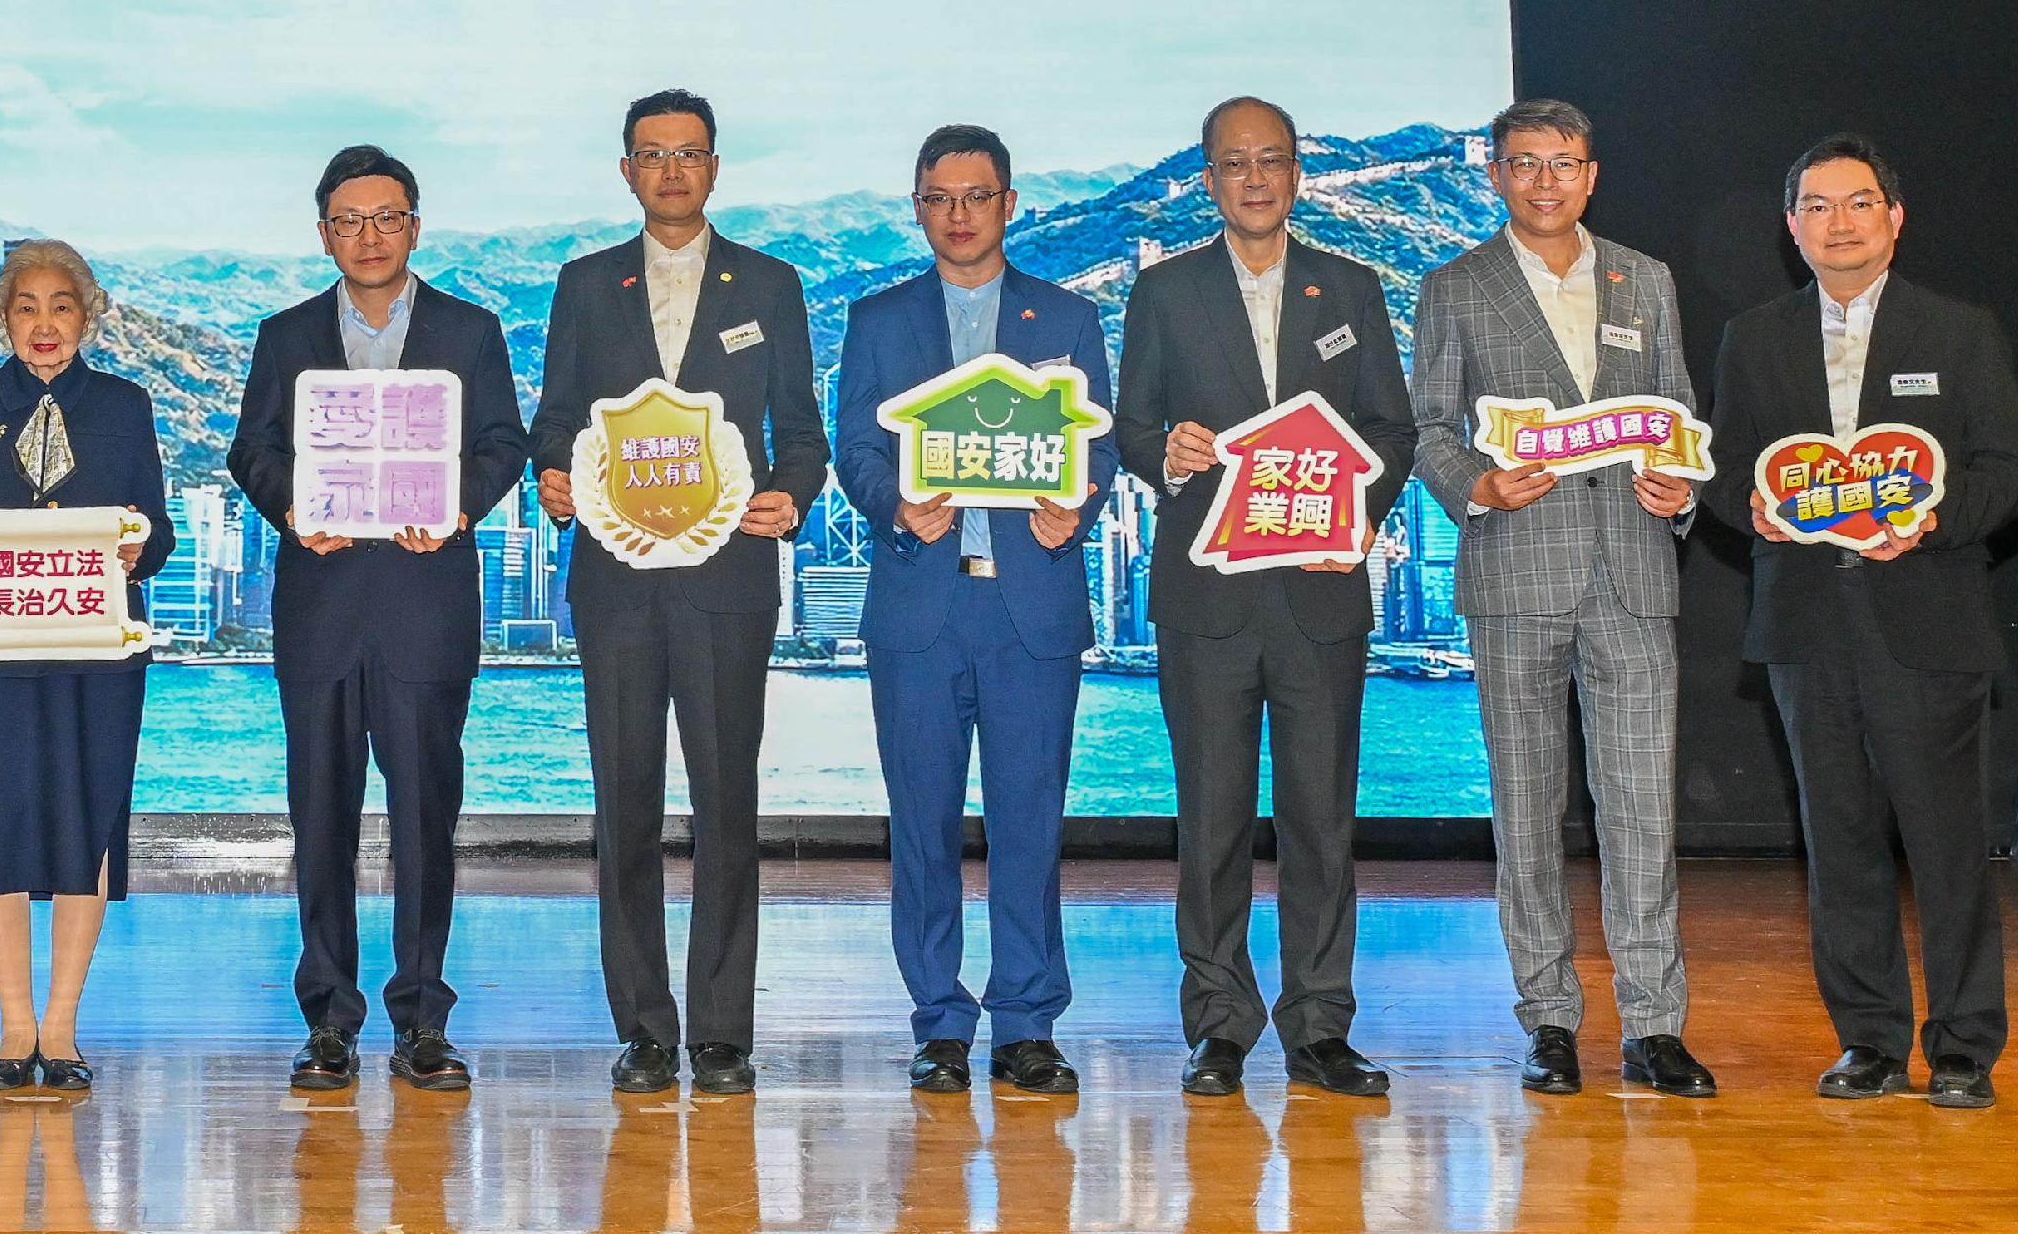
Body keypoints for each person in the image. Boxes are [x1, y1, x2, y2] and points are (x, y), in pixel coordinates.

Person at [1701, 133, 2018, 1109]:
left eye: (1856, 203)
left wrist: (1932, 521)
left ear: (1894, 217)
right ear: (1789, 225)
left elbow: (2008, 472)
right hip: (1806, 620)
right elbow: (1725, 468)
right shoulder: (1752, 336)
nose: (1836, 222)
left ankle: (1963, 1046)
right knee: (1837, 840)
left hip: (1925, 615)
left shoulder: (1959, 330)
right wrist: (1748, 506)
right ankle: (1869, 1040)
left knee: (1946, 845)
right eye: (1815, 206)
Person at [1405, 100, 1715, 1099]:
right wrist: (1477, 486)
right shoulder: (1454, 285)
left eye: (1564, 163)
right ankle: (1547, 1017)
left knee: (1643, 811)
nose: (1546, 181)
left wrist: (1680, 489)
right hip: (1514, 572)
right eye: (1525, 163)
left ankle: (1655, 1025)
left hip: (1633, 573)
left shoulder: (1645, 278)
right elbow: (1427, 429)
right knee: (1527, 812)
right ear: (1495, 174)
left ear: (1591, 174)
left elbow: (1676, 412)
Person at [527, 88, 830, 1097]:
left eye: (687, 152)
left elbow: (802, 431)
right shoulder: (583, 285)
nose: (670, 169)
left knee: (726, 804)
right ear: (626, 171)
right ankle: (645, 1029)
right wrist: (553, 474)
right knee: (624, 805)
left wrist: (791, 494)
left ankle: (723, 1031)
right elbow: (555, 418)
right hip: (614, 583)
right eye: (651, 154)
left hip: (727, 580)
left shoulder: (770, 284)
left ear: (713, 166)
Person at [1114, 96, 1415, 1099]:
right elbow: (1130, 426)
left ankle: (1320, 1025)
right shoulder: (1163, 291)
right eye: (1234, 163)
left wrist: (1357, 513)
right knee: (1211, 822)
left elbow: (1392, 428)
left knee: (1322, 821)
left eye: (1271, 160)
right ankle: (1219, 1023)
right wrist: (1166, 451)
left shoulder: (1351, 286)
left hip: (1320, 596)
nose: (1254, 178)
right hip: (1205, 598)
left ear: (1297, 174)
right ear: (1208, 180)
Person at [226, 145, 530, 1093]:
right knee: (319, 820)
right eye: (349, 220)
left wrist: (455, 507)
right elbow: (251, 449)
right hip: (320, 607)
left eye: (387, 216)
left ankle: (423, 1017)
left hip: (424, 606)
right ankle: (328, 1018)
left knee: (426, 820)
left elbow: (503, 443)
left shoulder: (471, 331)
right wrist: (292, 507)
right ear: (324, 234)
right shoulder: (284, 335)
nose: (369, 235)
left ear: (415, 226)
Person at [829, 124, 1111, 1097]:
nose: (959, 214)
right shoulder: (878, 319)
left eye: (977, 196)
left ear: (1009, 204)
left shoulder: (1067, 317)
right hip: (920, 604)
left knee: (1031, 823)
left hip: (1031, 607)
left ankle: (1027, 1021)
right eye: (939, 198)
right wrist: (892, 505)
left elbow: (1099, 447)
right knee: (923, 826)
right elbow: (855, 447)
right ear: (917, 207)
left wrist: (1076, 508)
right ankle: (940, 1020)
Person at [0, 240, 175, 1092]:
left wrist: (139, 546)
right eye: (25, 305)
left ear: (88, 315)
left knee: (86, 821)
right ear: (3, 316)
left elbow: (159, 532)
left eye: (61, 305)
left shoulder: (128, 406)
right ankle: (13, 1025)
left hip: (96, 653)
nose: (44, 322)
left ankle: (61, 1028)